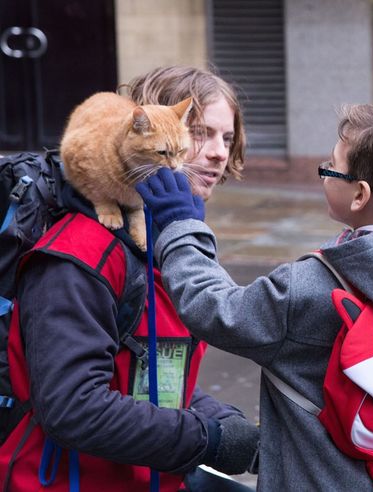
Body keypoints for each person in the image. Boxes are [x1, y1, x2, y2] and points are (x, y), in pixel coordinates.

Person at [136, 104, 373, 491]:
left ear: (359, 195)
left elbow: (214, 308)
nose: (324, 170)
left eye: (331, 165)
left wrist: (182, 227)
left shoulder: (308, 287)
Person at [0, 66, 259, 491]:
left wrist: (219, 419)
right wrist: (207, 439)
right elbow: (74, 407)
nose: (217, 152)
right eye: (199, 133)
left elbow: (144, 373)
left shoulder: (167, 242)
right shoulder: (82, 252)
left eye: (226, 138)